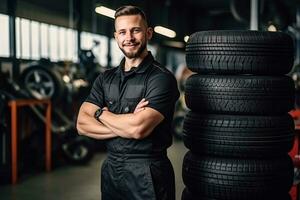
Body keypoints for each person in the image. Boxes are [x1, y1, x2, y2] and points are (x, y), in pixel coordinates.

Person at [76, 5, 179, 200]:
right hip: (111, 171)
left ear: (148, 33)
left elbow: (138, 129)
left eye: (136, 30)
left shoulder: (161, 79)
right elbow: (82, 124)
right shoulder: (105, 79)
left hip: (148, 173)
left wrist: (101, 114)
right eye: (122, 32)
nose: (129, 37)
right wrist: (127, 122)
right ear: (116, 37)